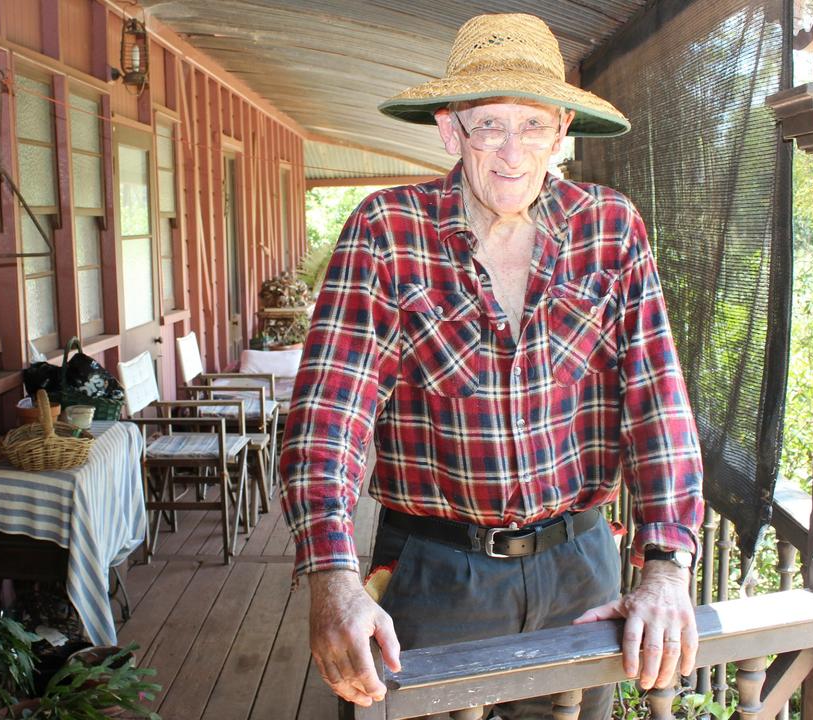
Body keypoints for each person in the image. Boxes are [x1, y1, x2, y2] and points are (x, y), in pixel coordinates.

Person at [279, 13, 704, 720]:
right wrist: (331, 575)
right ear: (451, 131)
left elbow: (656, 398)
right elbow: (330, 415)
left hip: (580, 566)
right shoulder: (387, 230)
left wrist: (664, 565)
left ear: (561, 132)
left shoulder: (610, 227)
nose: (512, 152)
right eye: (488, 125)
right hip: (434, 572)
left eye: (533, 125)